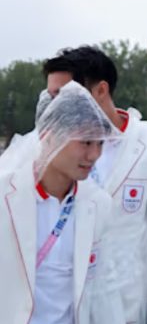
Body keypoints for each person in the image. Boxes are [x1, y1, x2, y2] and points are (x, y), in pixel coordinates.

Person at [43, 46, 147, 324]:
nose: (55, 108)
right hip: (57, 301)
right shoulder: (50, 145)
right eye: (51, 97)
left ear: (101, 90)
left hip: (122, 303)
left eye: (63, 96)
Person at [0, 81, 123, 323]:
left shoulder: (97, 203)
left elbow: (105, 285)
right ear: (50, 137)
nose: (94, 155)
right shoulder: (5, 195)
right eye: (86, 142)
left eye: (100, 143)